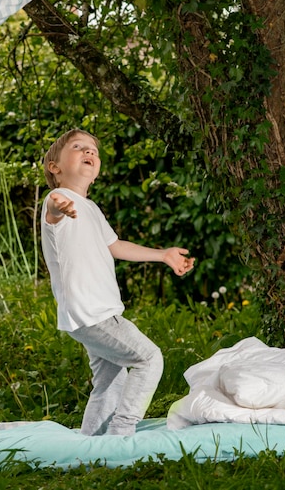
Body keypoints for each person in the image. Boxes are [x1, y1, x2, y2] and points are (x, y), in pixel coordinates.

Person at [40, 129, 195, 436]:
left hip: (94, 313)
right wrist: (59, 205)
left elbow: (116, 246)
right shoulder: (59, 199)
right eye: (78, 148)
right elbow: (54, 209)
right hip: (91, 312)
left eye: (93, 151)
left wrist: (163, 255)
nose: (89, 153)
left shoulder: (91, 208)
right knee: (149, 359)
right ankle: (122, 432)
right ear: (54, 167)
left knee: (110, 381)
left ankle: (91, 444)